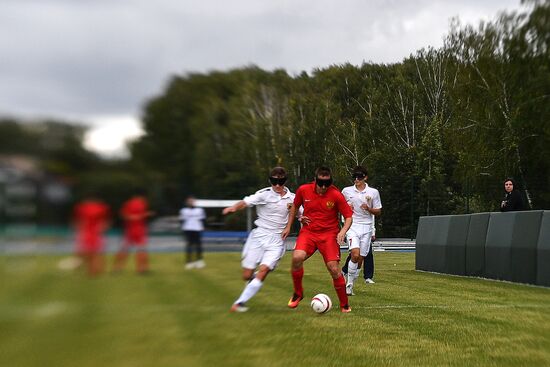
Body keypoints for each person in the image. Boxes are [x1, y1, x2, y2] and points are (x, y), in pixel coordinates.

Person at [223, 167, 295, 312]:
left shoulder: (292, 197)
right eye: (274, 181)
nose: (277, 185)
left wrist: (297, 222)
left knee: (263, 270)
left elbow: (299, 212)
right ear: (270, 181)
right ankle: (254, 279)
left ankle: (239, 303)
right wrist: (233, 207)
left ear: (285, 181)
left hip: (277, 239)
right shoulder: (263, 194)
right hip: (258, 236)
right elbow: (246, 202)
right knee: (246, 275)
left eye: (280, 182)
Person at [282, 166, 354, 313]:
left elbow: (348, 217)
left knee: (333, 268)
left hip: (329, 235)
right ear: (315, 180)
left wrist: (343, 231)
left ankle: (344, 304)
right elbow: (294, 207)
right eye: (320, 183)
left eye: (327, 184)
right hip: (308, 233)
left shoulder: (336, 194)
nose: (323, 187)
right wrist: (292, 224)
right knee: (297, 258)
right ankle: (298, 293)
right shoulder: (304, 190)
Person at [341, 166, 382, 295]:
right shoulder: (346, 191)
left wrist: (368, 209)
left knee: (360, 258)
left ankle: (351, 281)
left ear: (365, 177)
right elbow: (338, 206)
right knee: (355, 254)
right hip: (352, 225)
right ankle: (348, 284)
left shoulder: (373, 192)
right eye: (355, 177)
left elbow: (378, 211)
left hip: (367, 227)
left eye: (359, 177)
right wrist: (347, 208)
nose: (356, 179)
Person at [113, 194, 153, 274]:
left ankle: (117, 268)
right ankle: (142, 269)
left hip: (130, 230)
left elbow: (124, 216)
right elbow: (130, 216)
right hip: (137, 230)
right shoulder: (142, 204)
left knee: (125, 249)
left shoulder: (128, 203)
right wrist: (143, 215)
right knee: (141, 249)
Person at [72, 196, 111, 277]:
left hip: (89, 232)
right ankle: (95, 269)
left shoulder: (82, 208)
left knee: (89, 252)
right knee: (94, 252)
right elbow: (106, 221)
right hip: (94, 232)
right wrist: (103, 228)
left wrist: (79, 229)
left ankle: (92, 269)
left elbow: (78, 221)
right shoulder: (102, 207)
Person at [342, 219, 376, 284]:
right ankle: (345, 271)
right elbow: (345, 217)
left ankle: (368, 277)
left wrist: (373, 232)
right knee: (355, 254)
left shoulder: (368, 209)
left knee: (368, 253)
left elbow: (371, 218)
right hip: (353, 230)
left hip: (366, 231)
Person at [179, 196, 206, 269]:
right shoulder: (183, 210)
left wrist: (203, 228)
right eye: (189, 201)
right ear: (187, 202)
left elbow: (203, 220)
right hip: (188, 229)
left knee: (198, 245)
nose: (191, 202)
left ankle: (199, 261)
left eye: (192, 201)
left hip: (197, 229)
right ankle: (189, 262)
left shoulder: (199, 210)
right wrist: (182, 230)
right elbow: (181, 221)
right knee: (189, 246)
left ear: (194, 202)